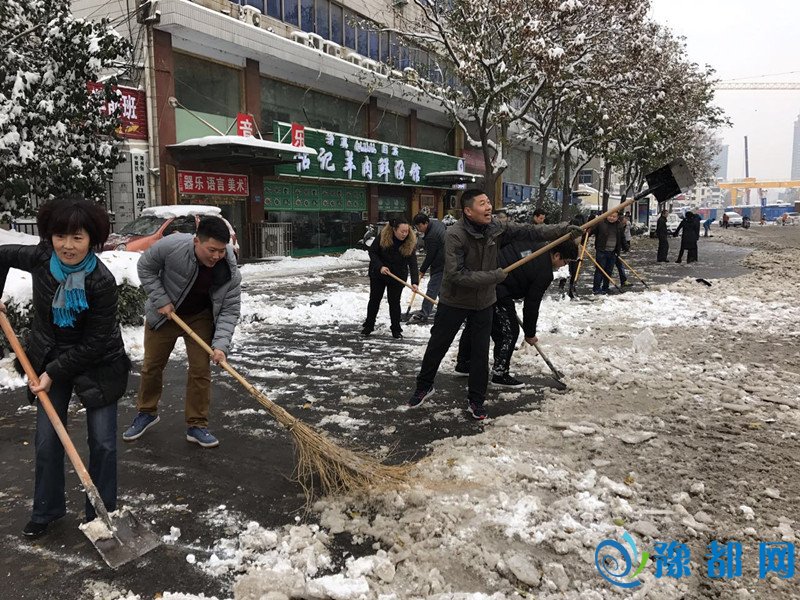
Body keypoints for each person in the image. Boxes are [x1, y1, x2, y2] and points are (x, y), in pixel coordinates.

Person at [0, 197, 130, 538]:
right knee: (46, 441)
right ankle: (46, 510)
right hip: (49, 354)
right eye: (60, 236)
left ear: (92, 240)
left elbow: (95, 343)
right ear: (50, 236)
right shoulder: (42, 258)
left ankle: (101, 515)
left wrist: (53, 373)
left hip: (99, 364)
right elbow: (2, 255)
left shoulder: (101, 281)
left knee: (103, 443)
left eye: (77, 238)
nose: (67, 246)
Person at [407, 189, 581, 419]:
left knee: (480, 353)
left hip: (484, 301)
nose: (488, 207)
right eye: (482, 203)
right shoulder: (455, 235)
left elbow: (530, 230)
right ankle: (424, 386)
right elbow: (457, 275)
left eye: (488, 201)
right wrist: (494, 276)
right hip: (455, 299)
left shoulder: (495, 227)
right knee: (438, 345)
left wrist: (563, 230)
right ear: (468, 211)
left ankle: (476, 400)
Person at [123, 216, 241, 448]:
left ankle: (197, 424)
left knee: (200, 370)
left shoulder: (229, 269)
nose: (216, 256)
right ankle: (146, 412)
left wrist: (220, 345)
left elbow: (230, 309)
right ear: (197, 241)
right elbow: (145, 267)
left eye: (221, 250)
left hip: (200, 317)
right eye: (211, 250)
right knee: (152, 366)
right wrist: (161, 300)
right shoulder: (171, 246)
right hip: (165, 314)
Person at [457, 239, 579, 387]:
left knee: (476, 322)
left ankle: (464, 364)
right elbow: (531, 304)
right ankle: (500, 374)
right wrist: (530, 333)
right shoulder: (544, 271)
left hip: (483, 277)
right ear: (557, 255)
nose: (563, 266)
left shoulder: (537, 245)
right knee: (509, 332)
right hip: (498, 288)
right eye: (565, 262)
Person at [362, 218, 419, 338]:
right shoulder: (383, 237)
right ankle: (369, 325)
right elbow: (372, 252)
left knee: (394, 302)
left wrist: (415, 282)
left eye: (407, 231)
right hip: (379, 274)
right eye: (402, 231)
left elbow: (413, 263)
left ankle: (396, 328)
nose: (405, 234)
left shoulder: (410, 241)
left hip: (398, 275)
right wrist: (380, 266)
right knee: (375, 299)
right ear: (394, 229)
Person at [408, 213, 444, 325]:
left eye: (419, 226)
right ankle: (446, 309)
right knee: (441, 288)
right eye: (417, 227)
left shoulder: (431, 236)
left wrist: (422, 269)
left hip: (441, 263)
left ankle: (424, 313)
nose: (419, 229)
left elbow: (430, 256)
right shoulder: (438, 223)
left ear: (426, 223)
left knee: (432, 288)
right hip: (447, 260)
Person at [590, 211, 622, 294]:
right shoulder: (601, 223)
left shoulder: (619, 225)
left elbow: (621, 237)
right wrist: (588, 230)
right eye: (610, 216)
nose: (612, 218)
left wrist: (625, 246)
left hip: (613, 252)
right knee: (600, 270)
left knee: (609, 271)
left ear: (617, 218)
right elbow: (591, 231)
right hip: (602, 251)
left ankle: (605, 287)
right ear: (607, 215)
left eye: (614, 217)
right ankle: (596, 288)